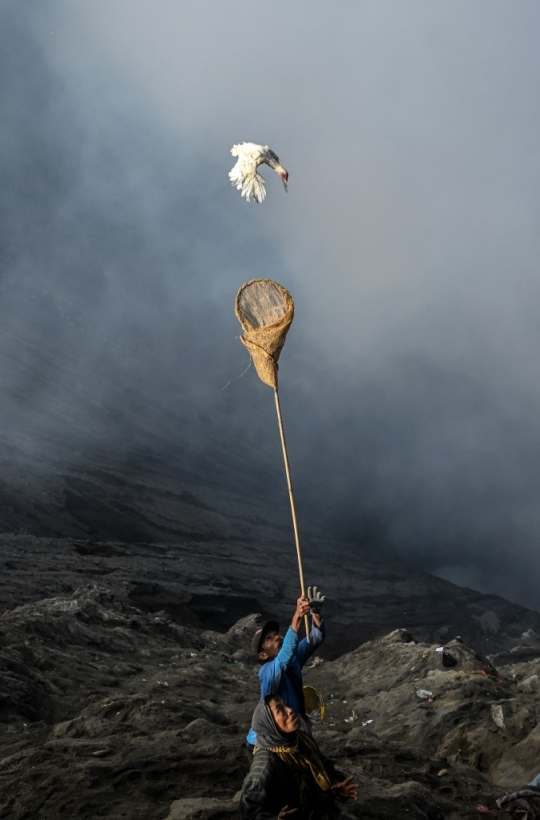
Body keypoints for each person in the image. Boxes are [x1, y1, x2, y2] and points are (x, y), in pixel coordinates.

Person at [239, 695, 358, 820]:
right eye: (280, 709)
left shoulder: (299, 739)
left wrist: (335, 785)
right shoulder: (265, 766)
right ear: (269, 723)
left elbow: (323, 764)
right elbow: (248, 814)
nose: (289, 710)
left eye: (285, 704)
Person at [246, 587, 326, 753]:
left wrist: (315, 614)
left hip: (289, 730)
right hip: (265, 743)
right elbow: (283, 659)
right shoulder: (266, 672)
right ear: (262, 655)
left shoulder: (294, 659)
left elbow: (315, 638)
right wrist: (297, 616)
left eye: (276, 633)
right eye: (269, 639)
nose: (277, 637)